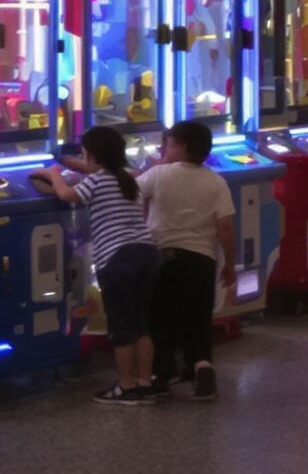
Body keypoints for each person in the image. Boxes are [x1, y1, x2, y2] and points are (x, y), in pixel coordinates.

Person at [36, 126, 160, 404]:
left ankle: (125, 387)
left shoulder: (96, 182)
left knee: (121, 326)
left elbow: (67, 195)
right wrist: (72, 163)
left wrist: (54, 175)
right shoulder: (128, 177)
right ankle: (144, 382)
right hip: (147, 254)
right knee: (141, 324)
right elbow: (95, 173)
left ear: (92, 156)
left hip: (118, 258)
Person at [143, 120, 236, 401]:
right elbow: (225, 227)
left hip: (162, 256)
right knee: (197, 317)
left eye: (168, 144)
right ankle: (202, 369)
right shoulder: (216, 181)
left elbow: (131, 192)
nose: (164, 149)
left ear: (181, 147)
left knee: (161, 317)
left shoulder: (158, 174)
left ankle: (161, 376)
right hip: (201, 260)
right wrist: (229, 263)